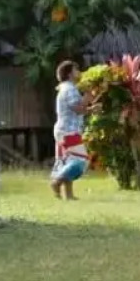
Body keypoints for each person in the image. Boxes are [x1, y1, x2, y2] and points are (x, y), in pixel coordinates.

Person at [50, 60, 90, 199]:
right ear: (69, 74)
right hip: (68, 130)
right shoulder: (70, 89)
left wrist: (90, 109)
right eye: (76, 70)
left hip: (63, 129)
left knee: (68, 161)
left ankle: (69, 195)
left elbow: (76, 110)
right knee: (80, 161)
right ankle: (57, 182)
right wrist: (88, 96)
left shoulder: (65, 88)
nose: (79, 72)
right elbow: (77, 108)